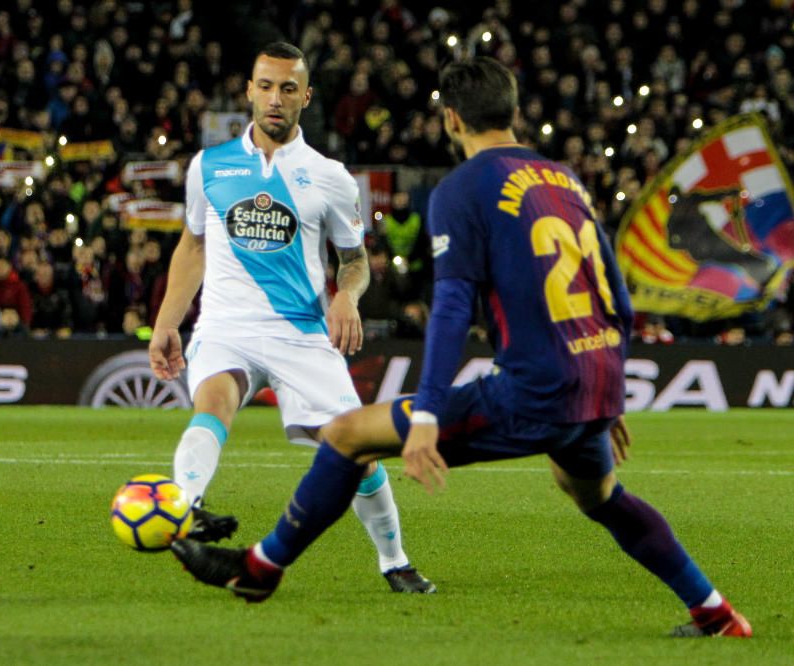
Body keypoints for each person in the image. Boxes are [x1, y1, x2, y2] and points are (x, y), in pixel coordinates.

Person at [169, 57, 752, 638]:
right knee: (596, 493)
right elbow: (615, 294)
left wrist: (426, 413)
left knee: (349, 436)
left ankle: (260, 569)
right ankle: (716, 613)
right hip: (593, 376)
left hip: (533, 385)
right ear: (515, 112)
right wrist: (611, 391)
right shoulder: (562, 178)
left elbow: (451, 308)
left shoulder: (461, 189)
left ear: (450, 119)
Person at [148, 42, 434, 593]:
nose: (274, 99)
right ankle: (186, 507)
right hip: (226, 326)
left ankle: (394, 561)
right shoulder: (209, 166)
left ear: (306, 96)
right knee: (213, 403)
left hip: (301, 333)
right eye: (265, 86)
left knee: (357, 450)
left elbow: (354, 263)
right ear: (248, 92)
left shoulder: (330, 177)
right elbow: (192, 247)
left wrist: (346, 297)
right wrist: (167, 321)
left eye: (287, 88)